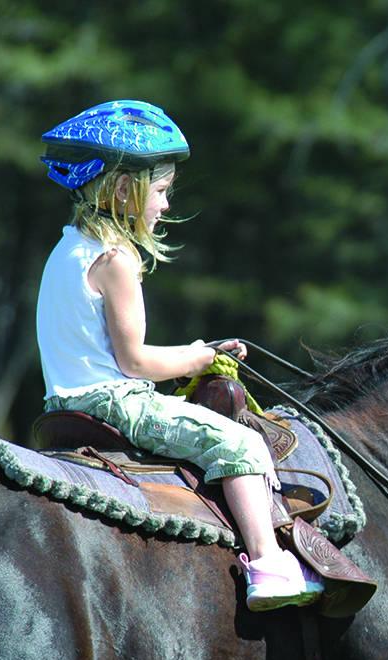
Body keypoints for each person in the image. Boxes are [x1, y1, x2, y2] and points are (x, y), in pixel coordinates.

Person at [35, 99, 322, 611]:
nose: (165, 205)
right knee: (240, 445)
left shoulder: (66, 248)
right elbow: (136, 364)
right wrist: (197, 360)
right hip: (115, 402)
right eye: (161, 191)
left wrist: (197, 353)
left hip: (62, 404)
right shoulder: (115, 258)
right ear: (124, 189)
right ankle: (269, 564)